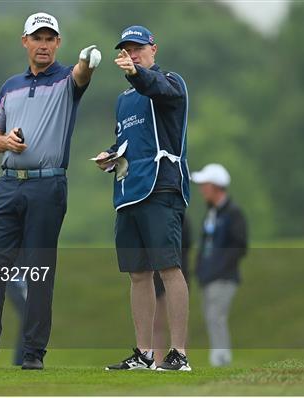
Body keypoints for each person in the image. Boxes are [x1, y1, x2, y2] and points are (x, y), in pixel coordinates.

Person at [0, 12, 101, 370]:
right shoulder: (10, 86)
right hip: (9, 186)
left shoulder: (67, 80)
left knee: (39, 269)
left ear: (58, 43)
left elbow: (83, 73)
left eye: (50, 38)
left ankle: (33, 353)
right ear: (25, 42)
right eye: (38, 38)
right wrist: (6, 141)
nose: (44, 45)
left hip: (47, 186)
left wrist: (88, 60)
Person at [95, 25, 191, 371]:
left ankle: (178, 354)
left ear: (154, 49)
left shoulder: (171, 82)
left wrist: (138, 74)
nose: (132, 54)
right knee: (138, 274)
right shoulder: (123, 101)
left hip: (161, 187)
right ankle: (144, 353)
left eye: (138, 48)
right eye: (126, 49)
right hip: (129, 192)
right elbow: (126, 142)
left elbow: (157, 88)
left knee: (168, 267)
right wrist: (109, 157)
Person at [191, 163, 248, 367]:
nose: (201, 189)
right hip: (208, 276)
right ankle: (219, 358)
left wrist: (219, 268)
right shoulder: (211, 213)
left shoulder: (233, 213)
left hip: (224, 277)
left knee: (216, 316)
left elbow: (239, 246)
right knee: (211, 316)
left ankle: (221, 359)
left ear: (215, 186)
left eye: (204, 185)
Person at [152, 216, 191, 360]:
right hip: (155, 275)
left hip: (176, 272)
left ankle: (179, 355)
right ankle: (157, 359)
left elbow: (185, 247)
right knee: (155, 323)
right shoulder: (150, 219)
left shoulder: (180, 219)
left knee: (176, 319)